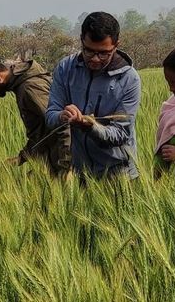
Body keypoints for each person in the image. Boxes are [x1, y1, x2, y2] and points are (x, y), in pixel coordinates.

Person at [46, 12, 141, 179]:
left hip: (119, 175)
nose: (95, 59)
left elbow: (121, 133)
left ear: (116, 45)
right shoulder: (65, 69)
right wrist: (62, 116)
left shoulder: (129, 79)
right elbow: (51, 114)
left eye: (104, 53)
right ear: (81, 39)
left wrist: (90, 126)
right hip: (81, 172)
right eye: (89, 51)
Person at [0, 54, 70, 176]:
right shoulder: (22, 84)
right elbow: (41, 132)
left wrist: (66, 168)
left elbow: (64, 125)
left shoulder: (29, 88)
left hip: (63, 162)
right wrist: (22, 158)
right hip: (52, 159)